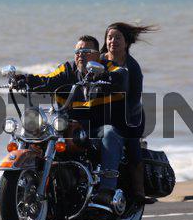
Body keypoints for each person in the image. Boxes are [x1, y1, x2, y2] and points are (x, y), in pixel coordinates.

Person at [15, 35, 129, 210]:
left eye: (86, 51)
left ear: (97, 54)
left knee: (110, 134)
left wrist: (105, 77)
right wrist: (25, 80)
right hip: (69, 125)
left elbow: (121, 75)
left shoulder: (109, 68)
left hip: (100, 125)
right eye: (77, 51)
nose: (80, 55)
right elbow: (48, 79)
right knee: (37, 135)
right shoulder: (68, 69)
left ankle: (106, 190)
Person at [101, 22, 158, 204]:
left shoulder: (132, 67)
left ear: (126, 42)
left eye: (118, 38)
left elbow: (134, 99)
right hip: (101, 113)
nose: (113, 41)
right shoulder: (99, 62)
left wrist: (118, 116)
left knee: (132, 146)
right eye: (110, 37)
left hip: (131, 115)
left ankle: (139, 192)